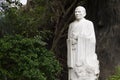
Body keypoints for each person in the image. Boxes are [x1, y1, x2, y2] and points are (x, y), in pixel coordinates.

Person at [67, 6, 99, 80]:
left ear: (84, 13)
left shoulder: (88, 24)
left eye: (79, 11)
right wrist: (71, 41)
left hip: (84, 52)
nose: (77, 13)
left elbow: (92, 39)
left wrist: (78, 37)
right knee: (74, 72)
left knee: (83, 68)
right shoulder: (71, 25)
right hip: (74, 51)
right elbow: (69, 39)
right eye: (76, 12)